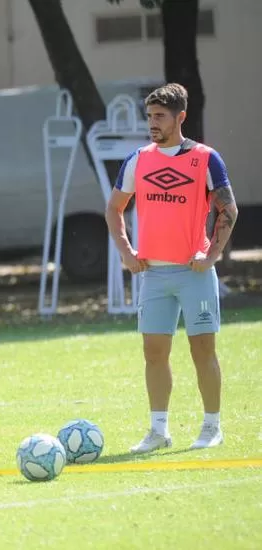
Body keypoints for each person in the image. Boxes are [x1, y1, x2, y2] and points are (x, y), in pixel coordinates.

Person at [105, 83, 237, 454]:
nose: (153, 123)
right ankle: (158, 430)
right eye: (149, 116)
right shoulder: (138, 159)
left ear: (180, 117)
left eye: (160, 116)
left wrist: (210, 256)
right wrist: (127, 251)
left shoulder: (206, 158)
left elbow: (229, 210)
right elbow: (113, 209)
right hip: (154, 275)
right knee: (153, 352)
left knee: (202, 352)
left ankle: (212, 427)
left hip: (194, 274)